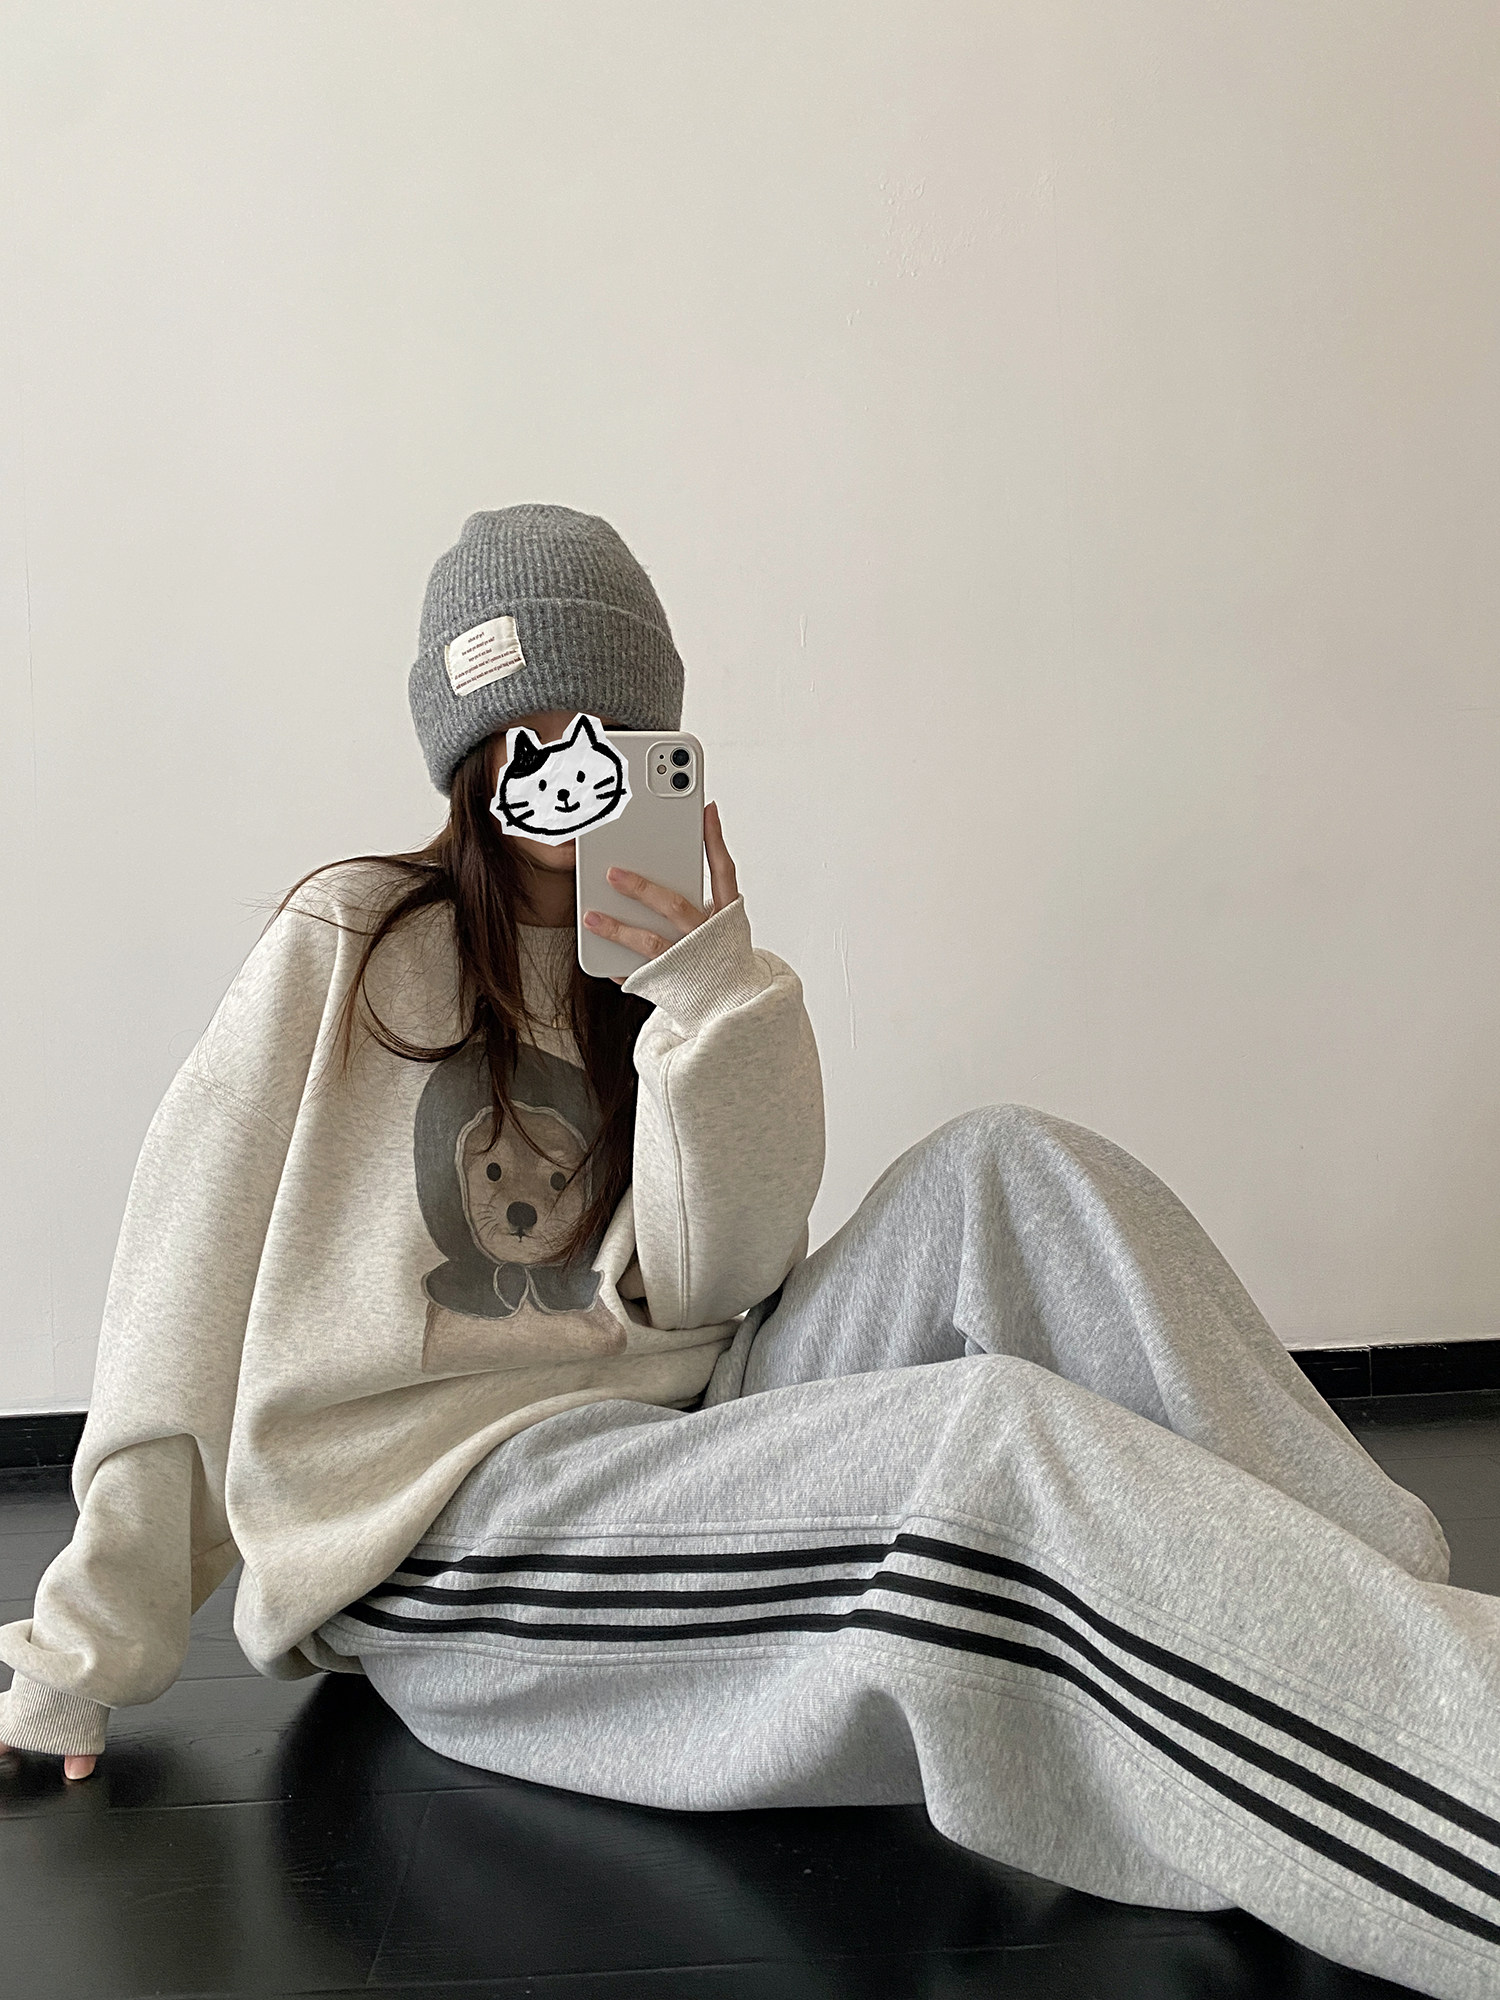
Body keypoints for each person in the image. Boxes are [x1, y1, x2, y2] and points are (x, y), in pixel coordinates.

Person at [3, 505, 1498, 2000]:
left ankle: (1392, 1605)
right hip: (451, 1525)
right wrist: (88, 1647)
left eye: (598, 729)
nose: (560, 767)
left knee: (1014, 1167)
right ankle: (1455, 1789)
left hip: (677, 1424)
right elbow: (180, 1287)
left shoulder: (667, 966)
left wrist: (710, 991)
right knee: (984, 1448)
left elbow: (720, 1283)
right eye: (520, 735)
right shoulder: (351, 940)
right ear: (466, 758)